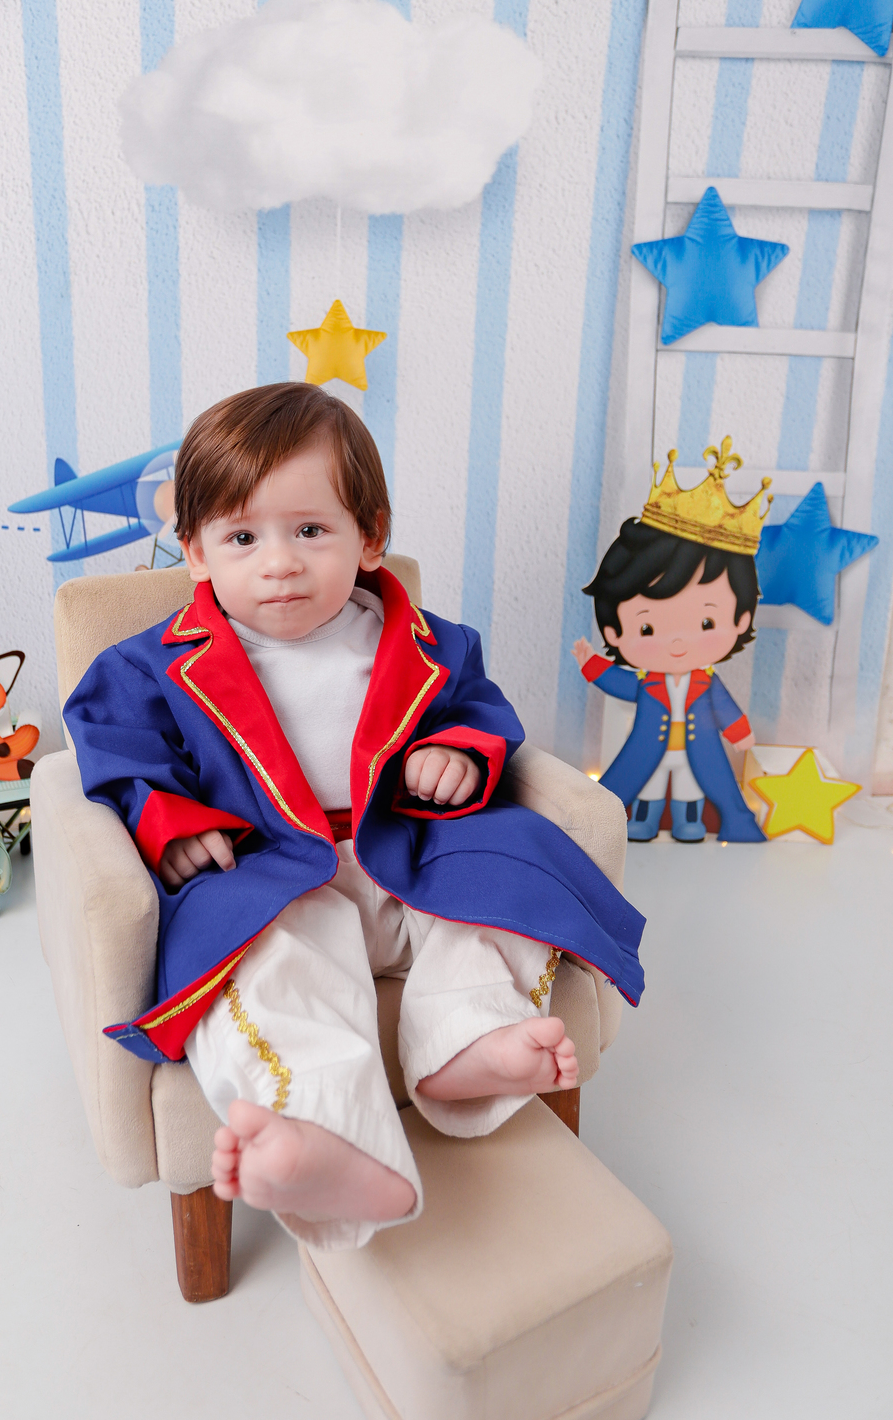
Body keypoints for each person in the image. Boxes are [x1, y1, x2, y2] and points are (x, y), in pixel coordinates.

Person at [65, 383, 644, 1248]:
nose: (280, 563)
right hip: (272, 874)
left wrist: (457, 753)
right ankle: (327, 1137)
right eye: (242, 537)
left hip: (410, 852)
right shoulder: (150, 667)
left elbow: (475, 709)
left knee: (496, 897)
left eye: (310, 530)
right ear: (195, 553)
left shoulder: (424, 643)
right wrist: (174, 825)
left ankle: (467, 1043)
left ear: (370, 536)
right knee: (268, 968)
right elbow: (120, 753)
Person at [572, 438, 767, 843]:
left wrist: (739, 731)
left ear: (742, 620)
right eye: (647, 629)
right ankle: (642, 821)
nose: (678, 642)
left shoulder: (707, 683)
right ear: (613, 630)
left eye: (707, 622)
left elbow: (725, 707)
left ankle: (688, 823)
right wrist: (591, 663)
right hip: (651, 750)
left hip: (698, 752)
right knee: (648, 784)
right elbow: (620, 682)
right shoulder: (647, 683)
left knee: (691, 789)